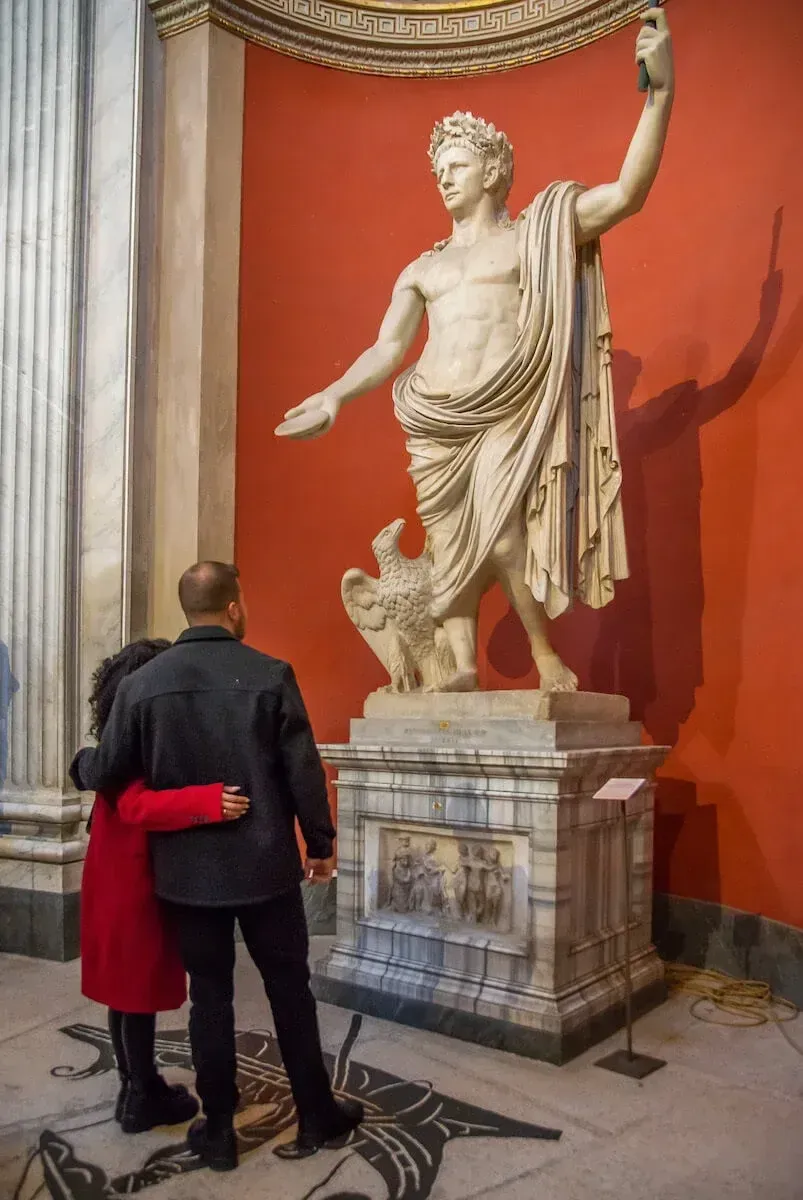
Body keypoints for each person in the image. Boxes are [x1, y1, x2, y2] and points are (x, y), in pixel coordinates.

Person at [279, 11, 675, 695]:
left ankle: (544, 654)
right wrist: (336, 394)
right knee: (445, 546)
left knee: (500, 538)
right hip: (433, 419)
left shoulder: (534, 235)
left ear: (492, 169)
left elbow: (625, 195)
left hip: (505, 410)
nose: (443, 179)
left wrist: (659, 95)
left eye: (456, 166)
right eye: (438, 170)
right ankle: (461, 664)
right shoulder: (423, 268)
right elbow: (388, 347)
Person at [72, 563, 362, 1173]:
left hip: (186, 876)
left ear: (187, 609)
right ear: (234, 607)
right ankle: (316, 1112)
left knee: (211, 999)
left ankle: (220, 1131)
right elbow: (302, 770)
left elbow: (113, 770)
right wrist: (320, 844)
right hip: (266, 869)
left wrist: (80, 765)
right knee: (290, 990)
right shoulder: (270, 674)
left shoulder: (143, 685)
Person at [70, 638, 250, 1135]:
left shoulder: (113, 744)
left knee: (124, 995)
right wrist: (209, 801)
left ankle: (135, 1087)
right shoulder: (129, 751)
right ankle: (140, 1093)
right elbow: (138, 807)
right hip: (133, 884)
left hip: (112, 878)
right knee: (136, 993)